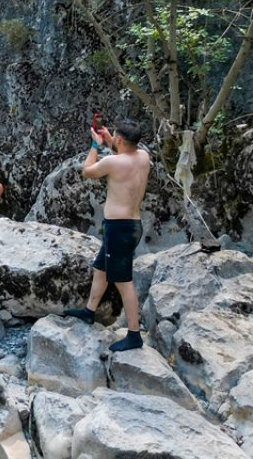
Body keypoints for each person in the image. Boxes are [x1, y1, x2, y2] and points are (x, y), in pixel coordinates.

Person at [63, 119, 151, 352]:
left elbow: (87, 171)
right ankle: (89, 311)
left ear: (120, 140)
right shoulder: (143, 157)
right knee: (100, 268)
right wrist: (110, 140)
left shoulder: (112, 162)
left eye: (115, 138)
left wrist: (95, 145)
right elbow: (123, 150)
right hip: (131, 225)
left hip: (119, 229)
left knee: (123, 282)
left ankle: (134, 334)